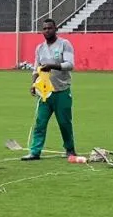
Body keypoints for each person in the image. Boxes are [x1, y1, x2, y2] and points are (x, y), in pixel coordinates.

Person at [22, 18, 76, 161]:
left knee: (65, 123)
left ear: (55, 28)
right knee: (40, 122)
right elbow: (36, 68)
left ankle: (70, 150)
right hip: (45, 92)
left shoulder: (64, 44)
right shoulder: (40, 48)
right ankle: (35, 151)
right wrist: (33, 84)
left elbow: (70, 64)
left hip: (62, 90)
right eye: (44, 29)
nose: (47, 31)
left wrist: (53, 65)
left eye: (50, 28)